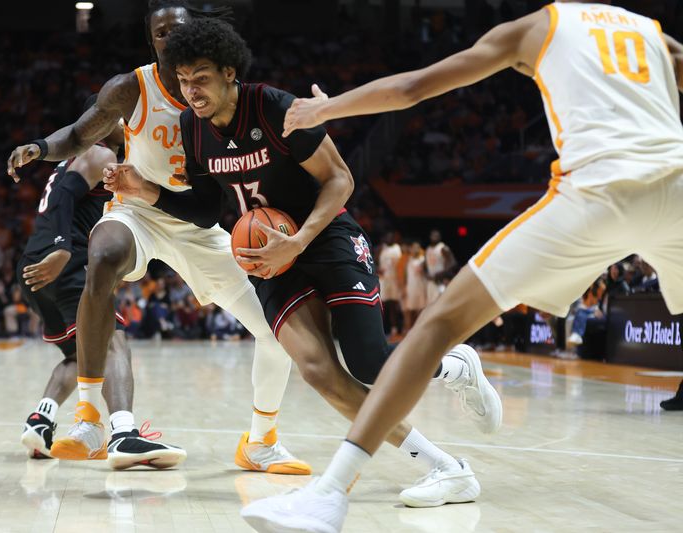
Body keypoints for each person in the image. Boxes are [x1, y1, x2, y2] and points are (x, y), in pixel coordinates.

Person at [244, 1, 683, 530]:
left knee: (439, 325)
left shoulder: (540, 25)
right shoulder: (652, 32)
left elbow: (413, 89)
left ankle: (330, 496)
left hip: (597, 191)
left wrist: (326, 110)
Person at [103, 17, 502, 508]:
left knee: (370, 364)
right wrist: (147, 190)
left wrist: (300, 240)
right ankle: (446, 468)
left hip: (324, 234)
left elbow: (340, 180)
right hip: (268, 256)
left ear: (230, 72)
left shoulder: (274, 107)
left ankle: (454, 368)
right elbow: (207, 209)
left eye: (201, 76)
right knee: (317, 370)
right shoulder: (192, 125)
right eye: (183, 80)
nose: (190, 90)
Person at [7, 0, 308, 474]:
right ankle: (88, 418)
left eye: (178, 30)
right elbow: (82, 135)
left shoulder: (212, 96)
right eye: (160, 33)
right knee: (103, 253)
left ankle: (261, 440)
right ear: (152, 42)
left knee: (277, 331)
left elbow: (213, 201)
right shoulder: (131, 88)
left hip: (194, 222)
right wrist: (41, 147)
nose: (169, 39)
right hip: (136, 211)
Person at [18, 96, 186, 469]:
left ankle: (41, 420)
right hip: (63, 261)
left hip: (33, 264)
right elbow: (63, 196)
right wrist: (63, 249)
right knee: (113, 341)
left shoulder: (74, 160)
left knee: (81, 356)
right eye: (119, 118)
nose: (127, 125)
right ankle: (123, 433)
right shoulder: (100, 153)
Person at [377, 232, 403, 337]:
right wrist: (378, 269)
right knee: (381, 305)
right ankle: (381, 329)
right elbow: (374, 261)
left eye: (391, 237)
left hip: (395, 280)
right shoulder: (381, 249)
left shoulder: (397, 248)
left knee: (394, 305)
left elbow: (401, 266)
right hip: (383, 280)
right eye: (387, 237)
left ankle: (395, 329)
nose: (389, 238)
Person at [425, 229, 456, 304]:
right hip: (431, 281)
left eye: (436, 236)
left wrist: (441, 274)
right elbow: (425, 264)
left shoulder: (443, 248)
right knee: (430, 305)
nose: (434, 237)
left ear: (440, 237)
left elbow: (453, 263)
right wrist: (426, 274)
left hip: (440, 281)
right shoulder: (428, 249)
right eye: (433, 235)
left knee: (440, 305)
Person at [402, 241, 428, 331]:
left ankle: (420, 329)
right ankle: (410, 329)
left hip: (420, 286)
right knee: (410, 309)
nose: (414, 250)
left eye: (417, 248)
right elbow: (405, 274)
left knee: (420, 309)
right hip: (410, 287)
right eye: (413, 248)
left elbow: (426, 273)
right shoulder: (409, 260)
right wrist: (404, 286)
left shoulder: (422, 259)